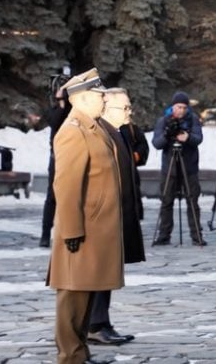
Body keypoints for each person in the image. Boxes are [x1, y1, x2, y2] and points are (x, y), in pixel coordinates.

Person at [45, 68, 124, 364]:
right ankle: (70, 356)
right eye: (99, 96)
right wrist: (71, 230)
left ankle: (80, 353)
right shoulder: (73, 130)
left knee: (85, 295)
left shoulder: (92, 126)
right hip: (81, 230)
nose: (104, 101)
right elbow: (65, 186)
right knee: (72, 297)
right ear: (82, 98)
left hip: (94, 229)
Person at [87, 88, 145, 346]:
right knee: (100, 272)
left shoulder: (119, 133)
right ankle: (94, 324)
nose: (129, 112)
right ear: (108, 109)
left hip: (119, 215)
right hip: (104, 218)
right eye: (125, 108)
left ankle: (102, 321)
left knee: (109, 272)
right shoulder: (101, 135)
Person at [152, 91, 206, 246]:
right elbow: (156, 143)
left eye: (183, 107)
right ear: (172, 106)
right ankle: (164, 235)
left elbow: (198, 138)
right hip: (169, 168)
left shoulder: (193, 119)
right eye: (178, 107)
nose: (180, 110)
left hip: (189, 168)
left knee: (193, 202)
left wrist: (187, 138)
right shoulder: (164, 120)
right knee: (166, 201)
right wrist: (167, 135)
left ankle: (197, 236)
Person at [39, 87, 71, 247]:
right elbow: (54, 122)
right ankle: (45, 234)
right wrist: (62, 103)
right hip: (57, 158)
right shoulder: (55, 110)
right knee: (52, 197)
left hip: (72, 157)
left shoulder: (75, 109)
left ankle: (70, 232)